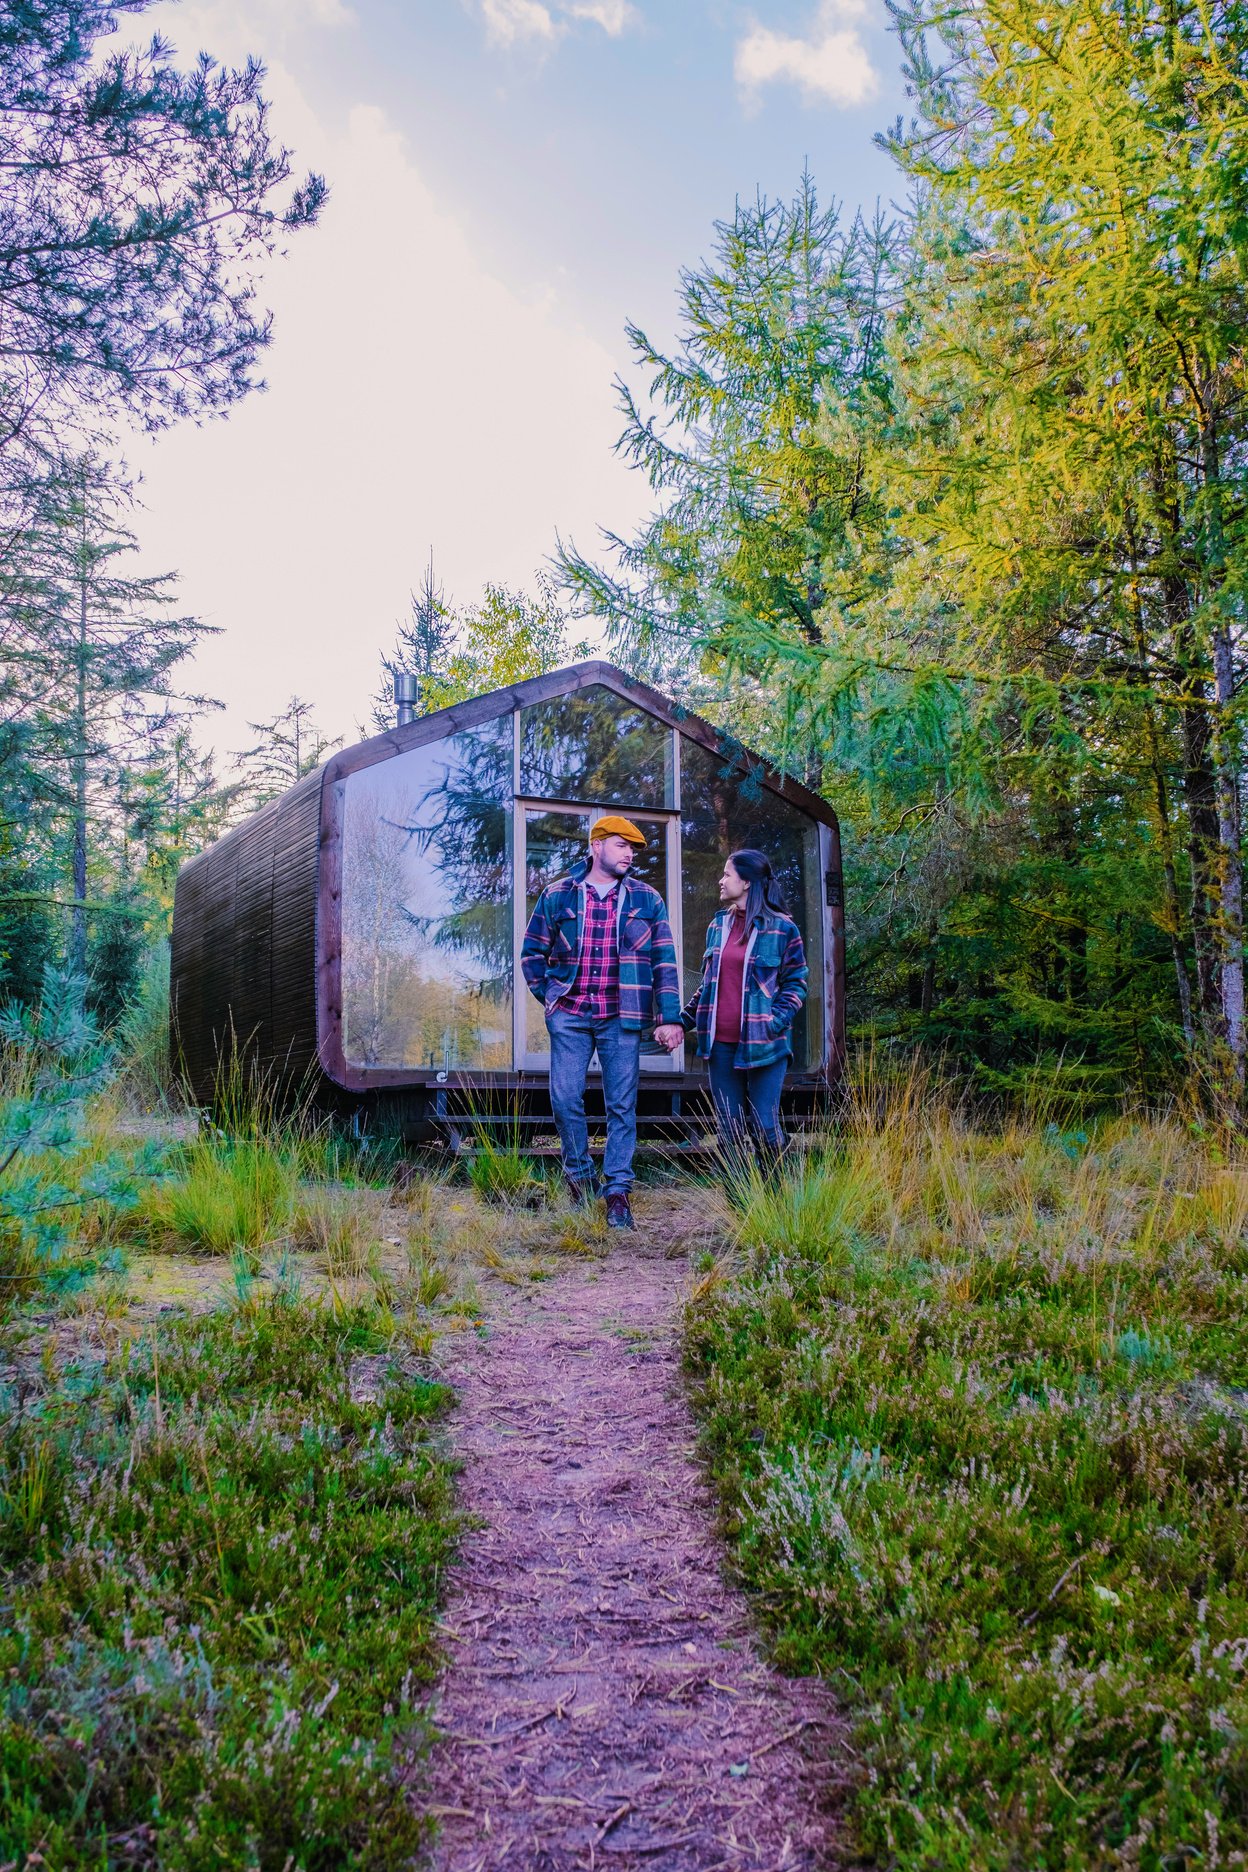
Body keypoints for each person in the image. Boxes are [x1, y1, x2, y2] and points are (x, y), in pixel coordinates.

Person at [521, 814, 682, 1230]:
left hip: (621, 1016)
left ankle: (617, 1193)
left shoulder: (647, 900)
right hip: (570, 1015)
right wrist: (552, 998)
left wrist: (668, 1017)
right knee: (565, 1099)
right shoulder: (558, 895)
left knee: (622, 1106)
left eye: (633, 848)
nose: (629, 853)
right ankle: (578, 1178)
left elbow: (664, 962)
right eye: (621, 845)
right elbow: (531, 954)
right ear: (596, 846)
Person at [654, 849, 807, 1172]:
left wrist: (773, 1021)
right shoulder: (718, 926)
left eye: (727, 874)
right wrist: (681, 1022)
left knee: (765, 1127)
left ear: (747, 882)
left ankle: (775, 1203)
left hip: (765, 1045)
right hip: (720, 1047)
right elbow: (708, 987)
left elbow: (796, 984)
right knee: (729, 1132)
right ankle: (740, 1208)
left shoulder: (782, 929)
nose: (720, 880)